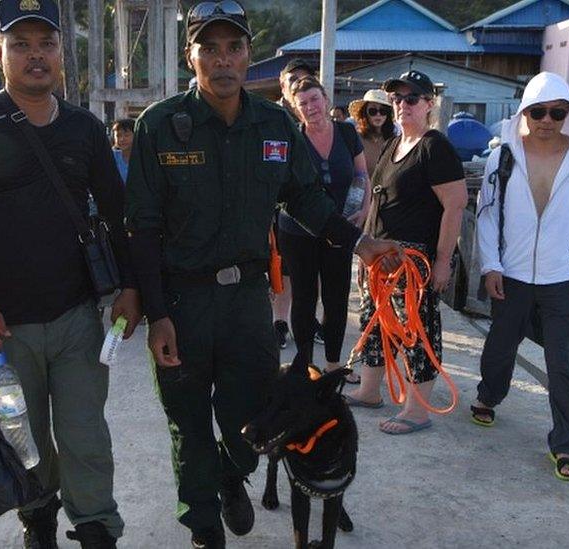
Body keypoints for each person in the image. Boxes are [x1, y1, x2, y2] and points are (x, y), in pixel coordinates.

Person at [124, 3, 402, 547]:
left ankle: (233, 475)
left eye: (234, 48)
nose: (223, 60)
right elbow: (141, 228)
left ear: (248, 55)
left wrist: (362, 243)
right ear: (192, 57)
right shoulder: (159, 126)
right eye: (210, 48)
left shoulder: (274, 125)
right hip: (181, 302)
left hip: (247, 302)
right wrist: (156, 313)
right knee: (188, 424)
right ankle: (204, 526)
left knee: (248, 414)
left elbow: (307, 200)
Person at [0, 1, 140, 547]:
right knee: (26, 437)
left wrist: (131, 288)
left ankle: (97, 529)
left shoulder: (84, 129)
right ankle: (38, 519)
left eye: (46, 44)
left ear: (60, 54)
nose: (35, 56)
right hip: (3, 326)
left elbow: (119, 217)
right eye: (20, 44)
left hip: (77, 316)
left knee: (84, 434)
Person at [473, 72, 569, 481]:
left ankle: (566, 444)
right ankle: (489, 395)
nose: (547, 119)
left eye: (556, 111)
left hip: (563, 278)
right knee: (500, 346)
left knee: (563, 363)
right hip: (511, 275)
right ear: (524, 113)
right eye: (538, 111)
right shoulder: (503, 157)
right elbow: (487, 213)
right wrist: (490, 265)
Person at [343, 70, 468, 435]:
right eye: (397, 99)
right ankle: (369, 390)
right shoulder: (392, 145)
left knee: (417, 331)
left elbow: (456, 205)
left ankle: (416, 410)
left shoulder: (434, 147)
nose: (402, 105)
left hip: (413, 262)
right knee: (375, 324)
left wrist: (442, 262)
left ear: (429, 104)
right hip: (380, 259)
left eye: (411, 99)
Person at [280, 75, 370, 372]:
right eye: (302, 103)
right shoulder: (293, 138)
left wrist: (362, 209)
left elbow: (361, 175)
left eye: (314, 99)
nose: (310, 107)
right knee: (304, 297)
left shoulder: (346, 133)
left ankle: (333, 366)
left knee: (336, 297)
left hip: (340, 228)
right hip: (298, 231)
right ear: (295, 109)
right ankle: (305, 367)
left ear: (326, 100)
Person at [272, 57, 315, 348]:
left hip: (314, 207)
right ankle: (279, 323)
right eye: (292, 79)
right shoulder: (271, 116)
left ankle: (311, 321)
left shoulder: (318, 117)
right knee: (282, 271)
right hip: (280, 209)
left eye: (305, 78)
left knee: (313, 274)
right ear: (282, 84)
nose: (298, 83)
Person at [349, 88, 396, 177]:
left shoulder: (394, 140)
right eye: (373, 111)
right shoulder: (355, 138)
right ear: (364, 113)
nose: (378, 115)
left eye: (383, 111)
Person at [111, 118, 135, 184]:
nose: (122, 139)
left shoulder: (143, 158)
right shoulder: (110, 157)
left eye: (126, 135)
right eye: (118, 135)